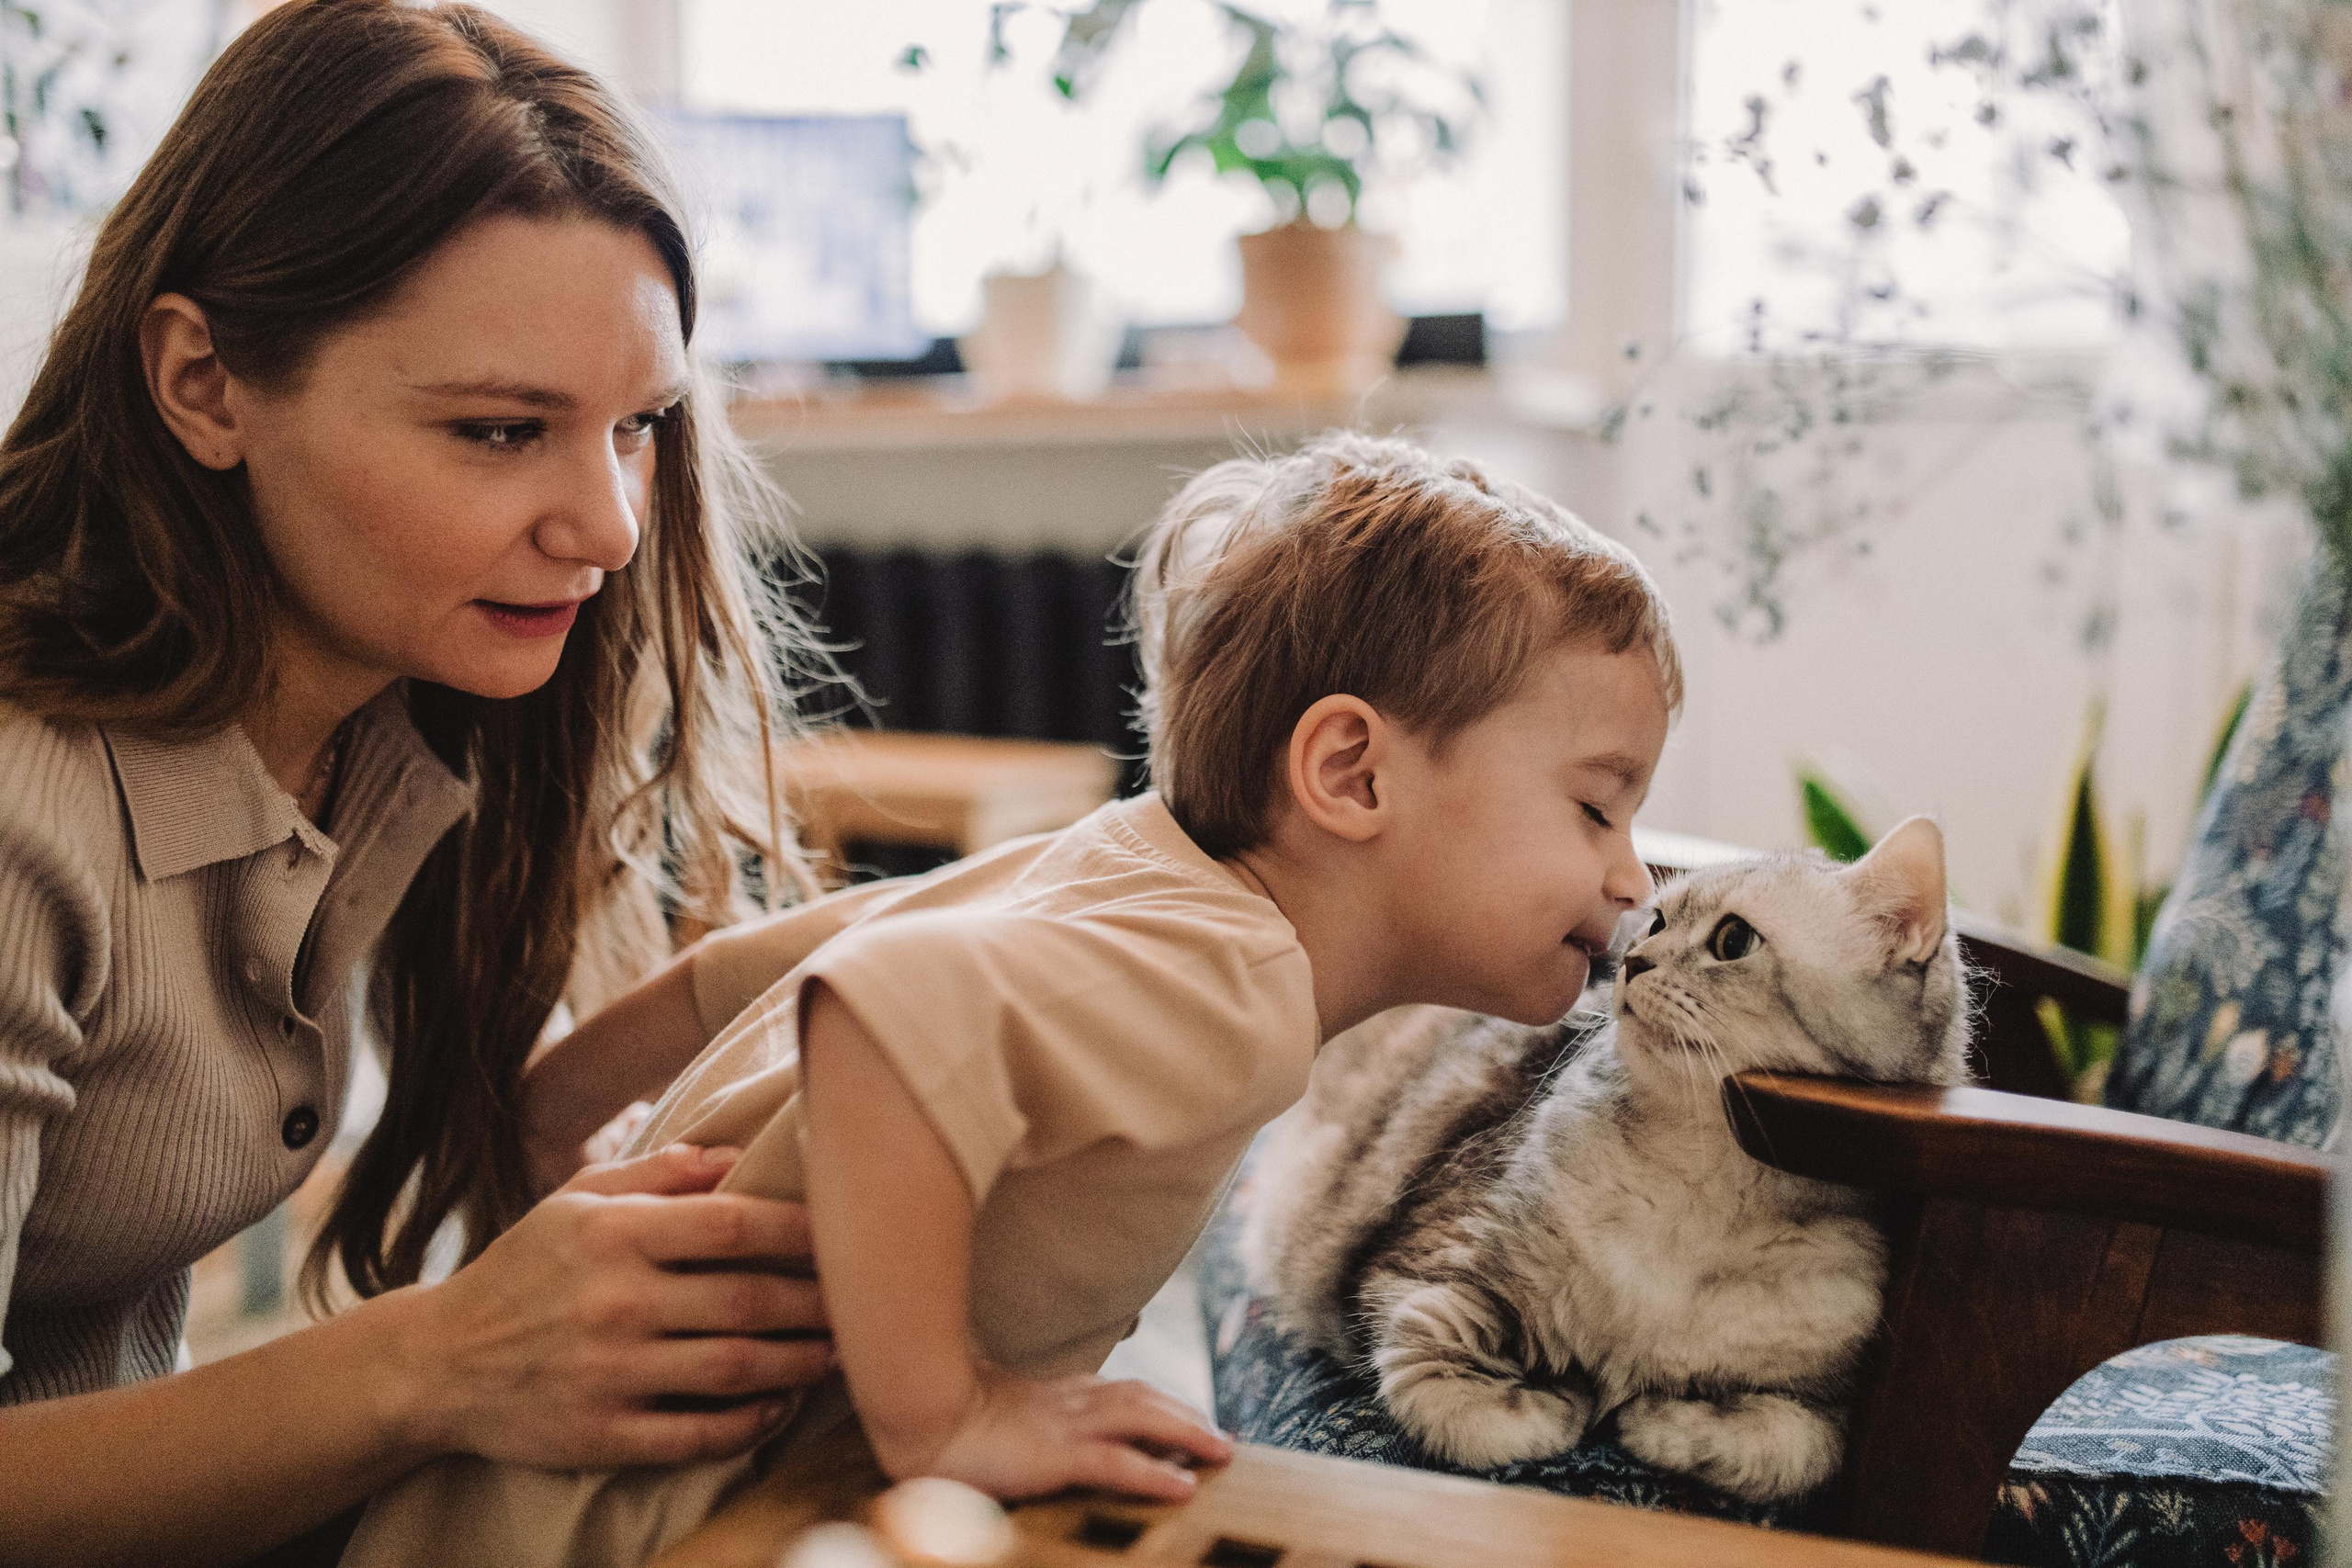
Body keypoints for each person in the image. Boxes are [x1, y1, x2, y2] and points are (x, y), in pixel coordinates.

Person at [345, 431, 1686, 1566]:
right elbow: (873, 1011)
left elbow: (743, 972)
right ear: (1352, 771)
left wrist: (546, 1124)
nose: (1630, 876)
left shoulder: (1115, 860)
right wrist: (949, 1415)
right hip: (638, 1523)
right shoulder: (1235, 985)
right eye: (1595, 805)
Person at [0, 5, 845, 1563]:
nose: (609, 529)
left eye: (640, 428)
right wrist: (442, 1361)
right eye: (501, 430)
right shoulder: (21, 819)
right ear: (204, 383)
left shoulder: (403, 714)